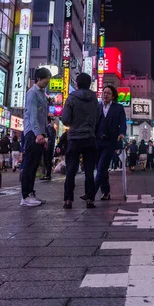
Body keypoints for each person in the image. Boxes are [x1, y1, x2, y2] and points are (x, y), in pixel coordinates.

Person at [62, 72, 99, 209]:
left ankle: (68, 200)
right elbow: (98, 116)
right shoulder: (94, 98)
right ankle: (90, 199)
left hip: (74, 138)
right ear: (89, 84)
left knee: (71, 169)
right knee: (89, 171)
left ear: (76, 84)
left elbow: (65, 120)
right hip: (90, 138)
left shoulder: (71, 98)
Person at [20, 67, 51, 207]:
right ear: (39, 78)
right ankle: (25, 196)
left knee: (34, 166)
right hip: (32, 133)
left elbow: (43, 117)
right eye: (46, 79)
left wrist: (44, 135)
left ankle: (30, 193)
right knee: (29, 165)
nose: (48, 82)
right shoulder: (32, 93)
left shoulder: (42, 94)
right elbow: (32, 116)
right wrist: (38, 134)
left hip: (38, 133)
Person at [94, 85, 126, 200]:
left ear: (113, 96)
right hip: (97, 141)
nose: (105, 95)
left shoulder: (118, 108)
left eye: (108, 93)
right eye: (104, 92)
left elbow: (122, 123)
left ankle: (91, 193)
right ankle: (106, 191)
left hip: (110, 142)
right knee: (100, 167)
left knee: (102, 167)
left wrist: (122, 133)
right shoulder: (97, 107)